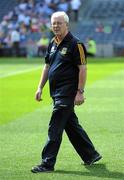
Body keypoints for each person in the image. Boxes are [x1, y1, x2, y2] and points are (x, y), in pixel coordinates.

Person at [31, 11, 102, 173]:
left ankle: (47, 163)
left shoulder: (76, 44)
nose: (55, 26)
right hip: (55, 92)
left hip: (67, 93)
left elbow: (83, 69)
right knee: (71, 125)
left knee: (54, 127)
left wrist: (80, 91)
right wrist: (40, 87)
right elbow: (47, 67)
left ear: (67, 25)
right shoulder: (52, 43)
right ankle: (91, 154)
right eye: (53, 23)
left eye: (59, 23)